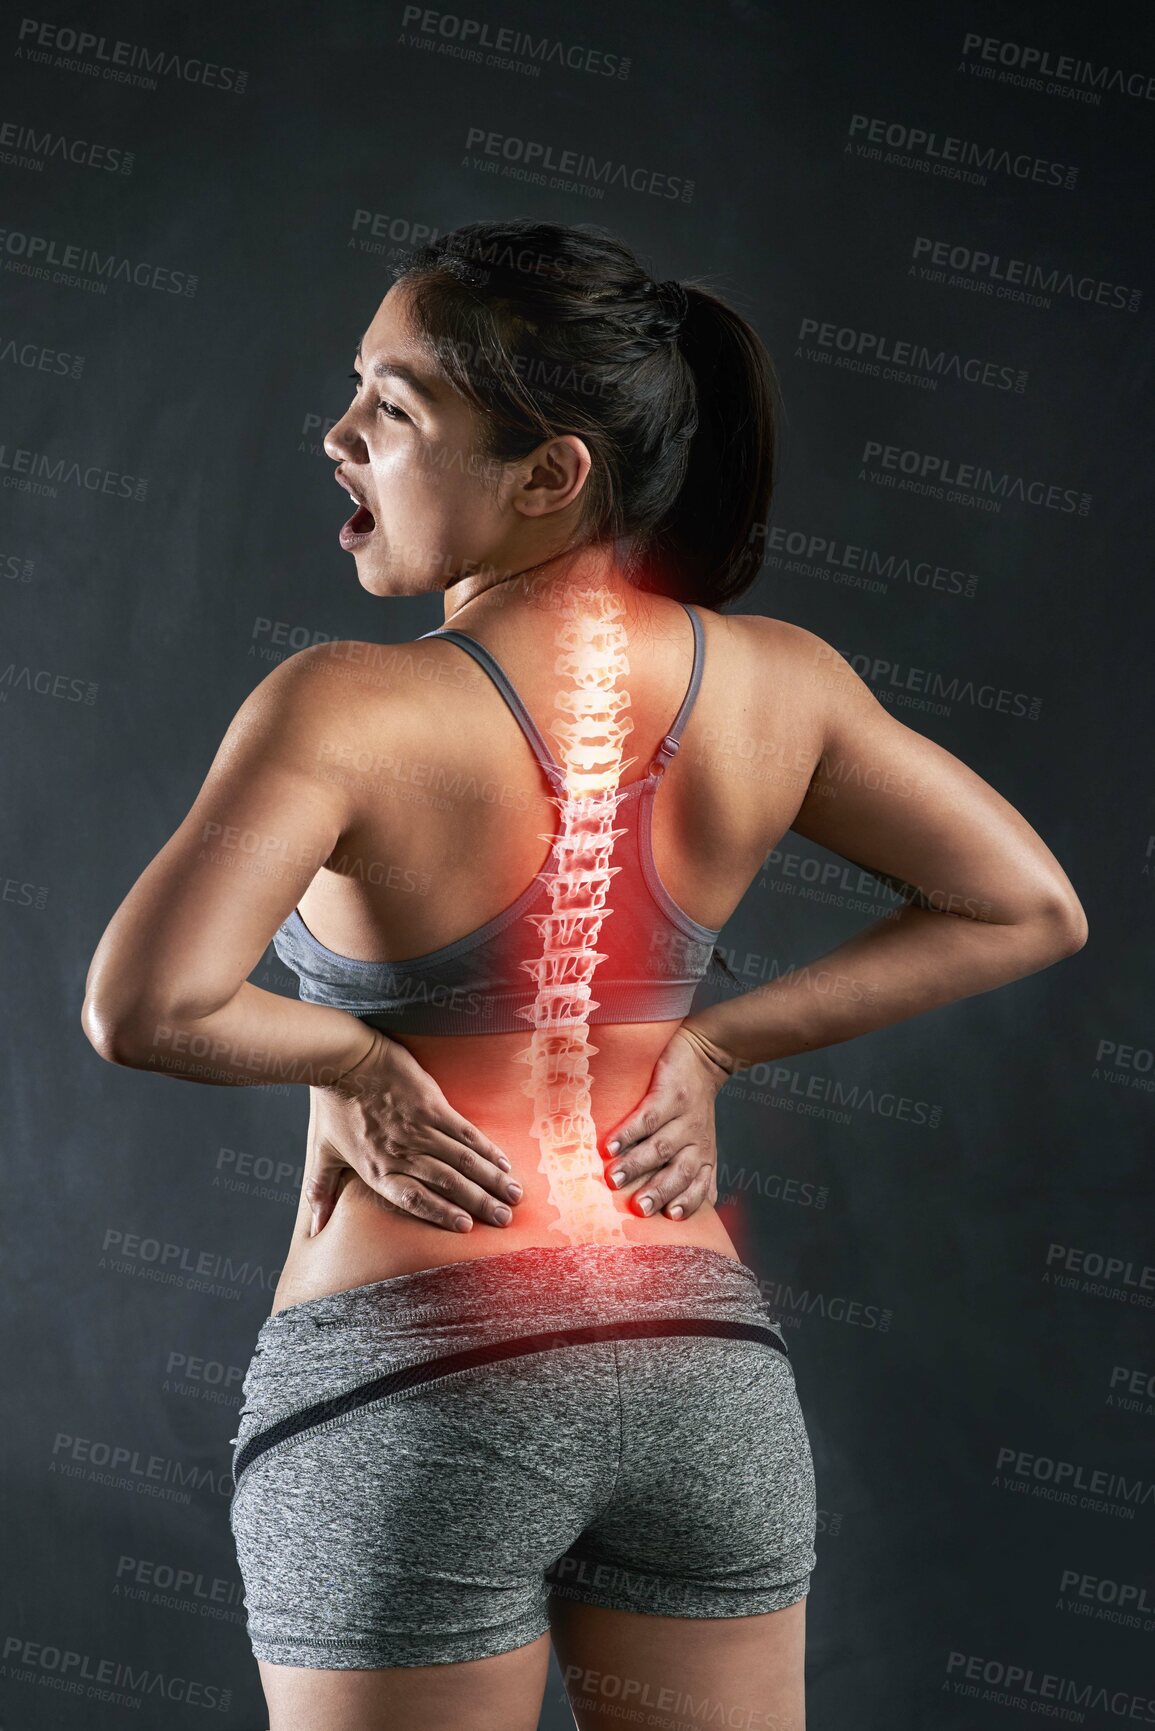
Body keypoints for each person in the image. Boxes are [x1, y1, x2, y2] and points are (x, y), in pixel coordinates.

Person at [81, 219, 1087, 1731]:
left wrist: (349, 1061)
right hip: (699, 1372)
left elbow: (142, 1006)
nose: (339, 436)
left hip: (417, 1385)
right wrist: (717, 1048)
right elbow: (1028, 906)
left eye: (396, 409)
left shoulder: (345, 706)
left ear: (550, 474)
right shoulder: (782, 684)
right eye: (357, 391)